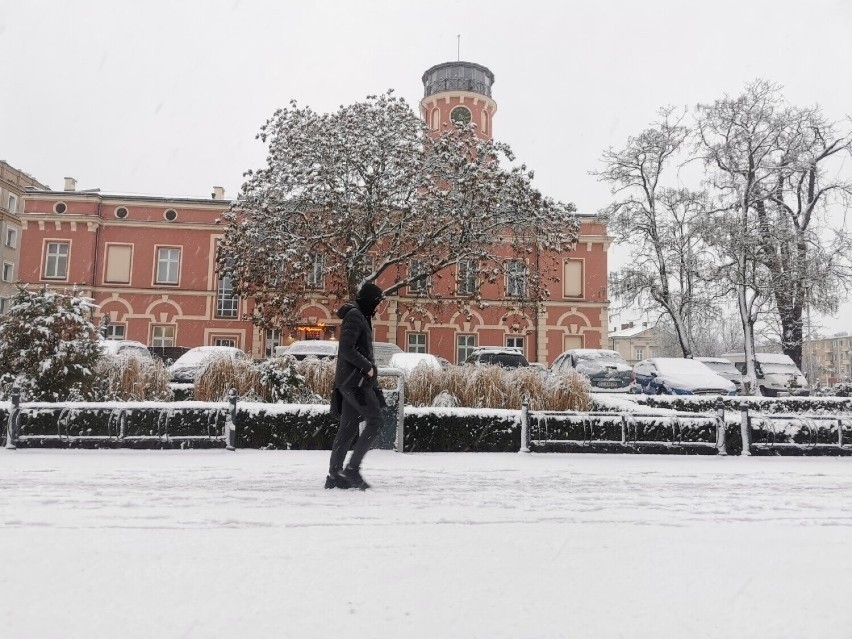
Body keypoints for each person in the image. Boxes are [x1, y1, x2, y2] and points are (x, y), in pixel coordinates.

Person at [326, 282, 388, 490]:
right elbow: (345, 349)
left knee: (348, 428)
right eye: (379, 303)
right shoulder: (355, 316)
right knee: (375, 420)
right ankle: (352, 469)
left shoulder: (361, 316)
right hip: (355, 381)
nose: (380, 308)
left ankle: (334, 475)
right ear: (372, 301)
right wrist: (368, 367)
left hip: (350, 380)